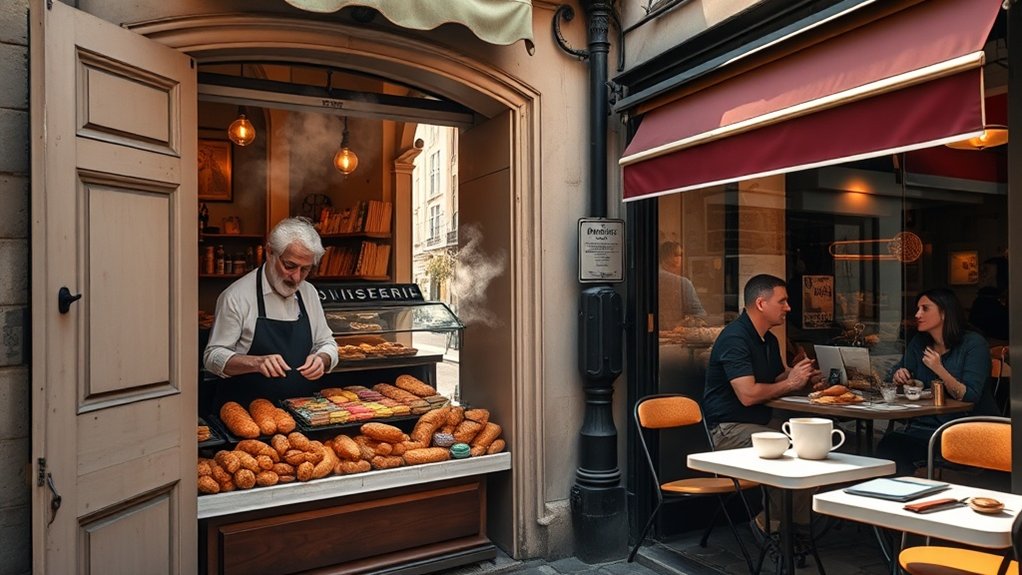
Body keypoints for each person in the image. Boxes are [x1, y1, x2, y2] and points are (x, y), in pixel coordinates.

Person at [703, 274, 819, 533]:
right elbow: (748, 394)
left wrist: (798, 375)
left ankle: (797, 529)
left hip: (760, 423)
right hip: (728, 429)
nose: (788, 308)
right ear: (761, 304)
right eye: (783, 301)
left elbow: (775, 379)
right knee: (790, 449)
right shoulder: (735, 338)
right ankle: (772, 524)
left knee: (812, 445)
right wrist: (790, 383)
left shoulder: (770, 339)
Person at [203, 217, 338, 407]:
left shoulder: (309, 293)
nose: (296, 277)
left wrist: (323, 359)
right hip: (246, 414)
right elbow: (212, 357)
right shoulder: (236, 296)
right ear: (270, 253)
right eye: (289, 266)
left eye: (305, 269)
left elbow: (327, 343)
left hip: (302, 412)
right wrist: (256, 363)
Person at [878, 288, 995, 476]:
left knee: (896, 449)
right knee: (890, 444)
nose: (917, 314)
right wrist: (898, 375)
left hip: (963, 431)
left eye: (925, 309)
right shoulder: (919, 342)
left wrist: (939, 369)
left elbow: (971, 396)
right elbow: (891, 377)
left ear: (944, 312)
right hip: (922, 427)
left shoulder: (973, 344)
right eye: (917, 309)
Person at [658, 241, 706, 327]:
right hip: (674, 333)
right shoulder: (683, 283)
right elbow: (700, 314)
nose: (680, 258)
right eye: (679, 254)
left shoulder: (648, 278)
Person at [969, 256, 1009, 343]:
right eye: (982, 271)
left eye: (985, 271)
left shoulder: (1010, 298)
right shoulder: (982, 301)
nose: (981, 275)